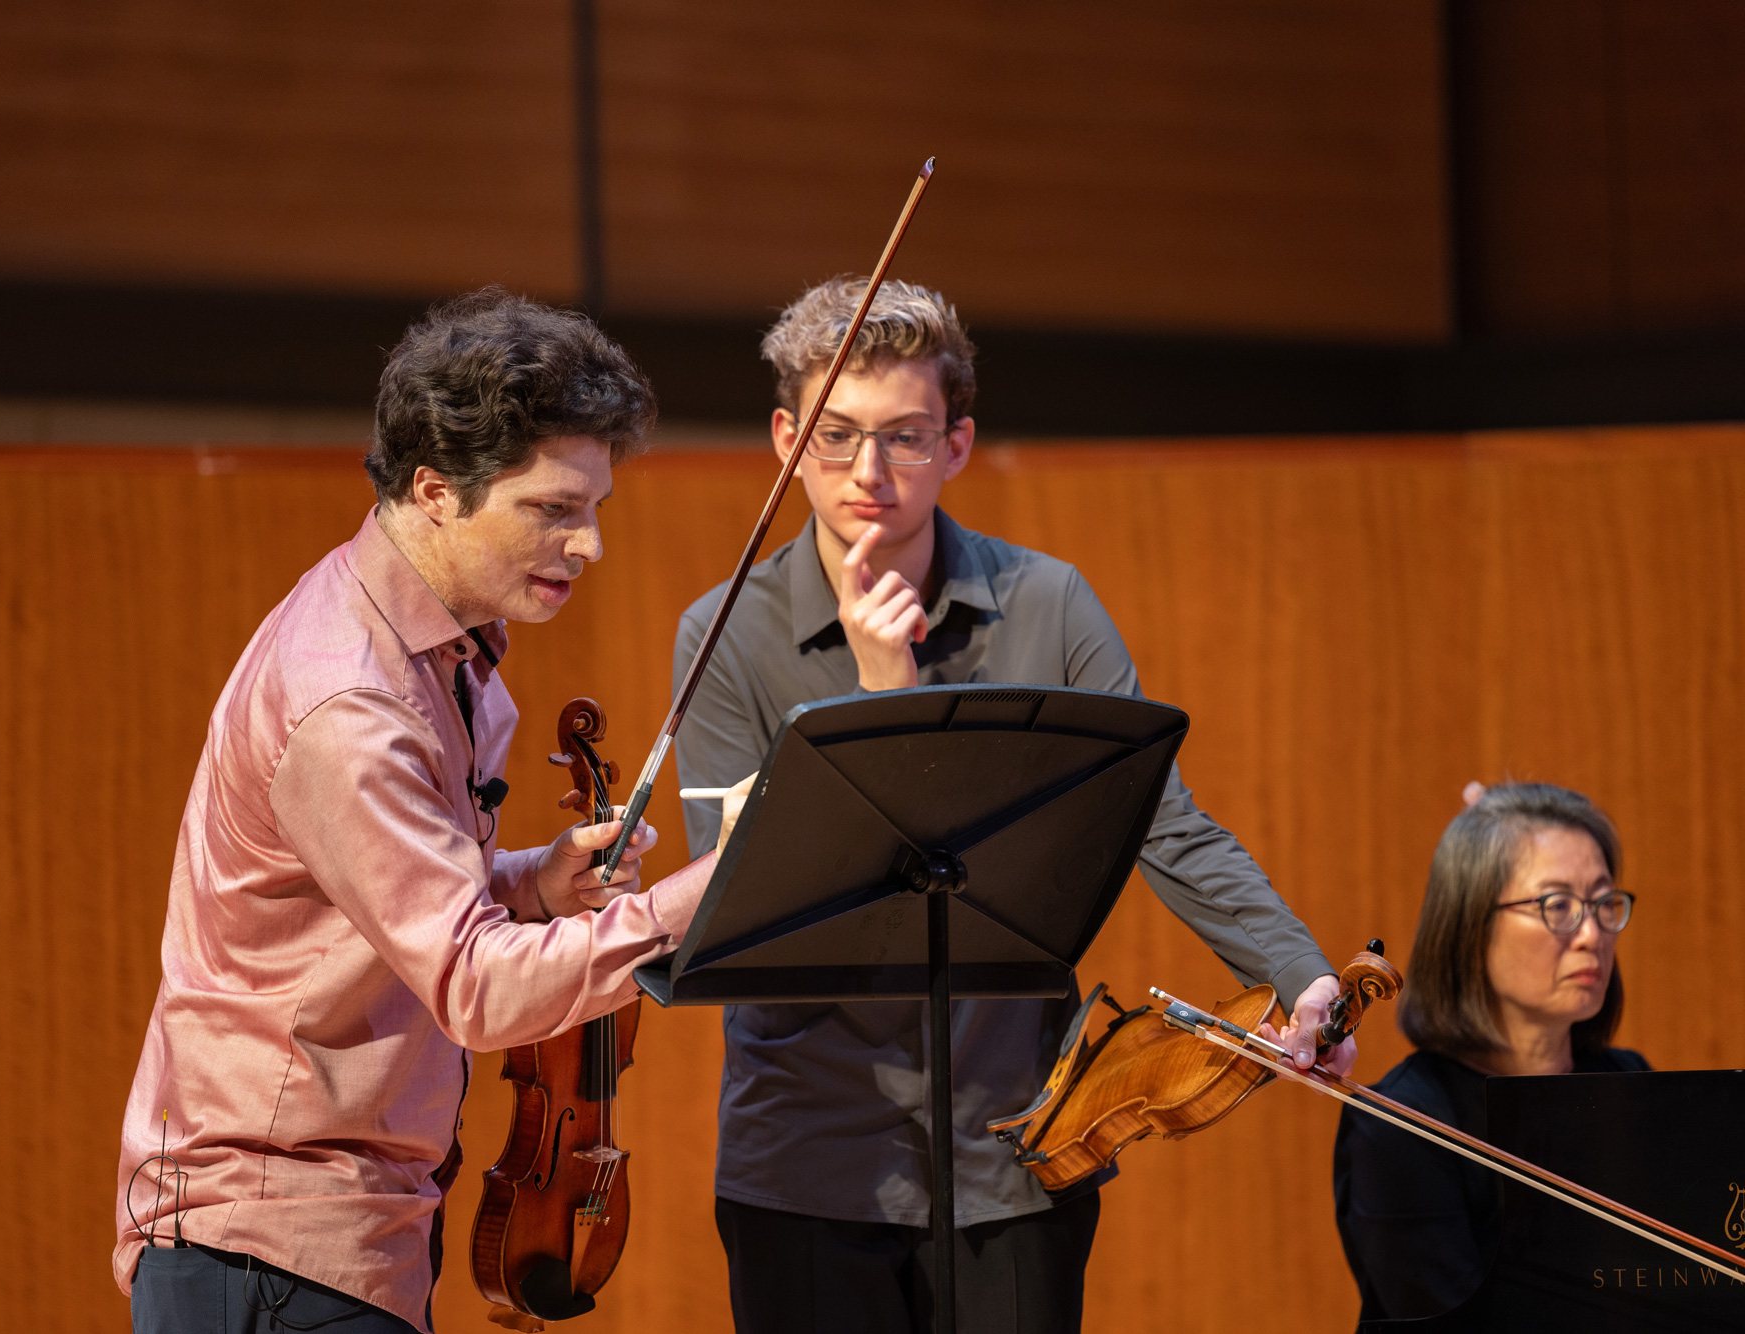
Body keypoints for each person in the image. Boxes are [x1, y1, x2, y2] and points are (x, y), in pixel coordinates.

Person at [671, 277, 1358, 1334]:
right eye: (837, 434)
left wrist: (1295, 970)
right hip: (805, 1162)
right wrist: (877, 692)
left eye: (903, 436)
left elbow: (1160, 820)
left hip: (1014, 1147)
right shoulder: (722, 633)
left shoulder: (1049, 603)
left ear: (954, 445)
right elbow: (736, 899)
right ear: (785, 438)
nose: (868, 470)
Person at [113, 290, 748, 1334]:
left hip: (322, 1241)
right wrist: (707, 887)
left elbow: (374, 907)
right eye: (551, 509)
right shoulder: (352, 702)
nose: (586, 544)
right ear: (434, 490)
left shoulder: (435, 648)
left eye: (593, 508)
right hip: (271, 1249)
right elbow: (474, 986)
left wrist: (533, 883)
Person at [1333, 781, 1646, 1322]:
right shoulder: (1400, 1126)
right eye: (1558, 905)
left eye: (1602, 903)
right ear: (1470, 926)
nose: (1592, 934)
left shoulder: (1629, 1085)